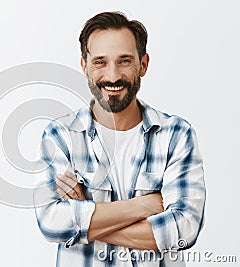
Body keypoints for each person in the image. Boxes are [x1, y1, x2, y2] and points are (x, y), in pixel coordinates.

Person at [34, 11, 206, 266]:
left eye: (124, 61)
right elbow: (52, 223)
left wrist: (85, 219)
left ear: (143, 64)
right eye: (100, 62)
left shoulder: (176, 134)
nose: (112, 76)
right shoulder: (60, 136)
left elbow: (185, 229)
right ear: (85, 66)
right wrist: (144, 206)